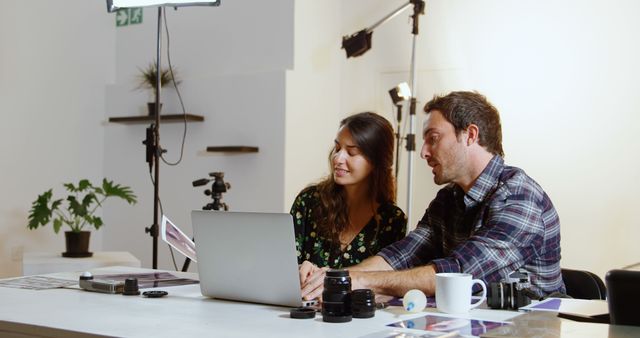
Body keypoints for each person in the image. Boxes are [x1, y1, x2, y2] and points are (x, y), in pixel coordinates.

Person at [301, 91, 565, 300]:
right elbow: (400, 256)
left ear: (470, 135)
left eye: (433, 138)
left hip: (528, 329)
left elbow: (458, 273)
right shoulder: (447, 200)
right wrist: (335, 277)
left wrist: (357, 280)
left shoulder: (519, 197)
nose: (424, 152)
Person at [291, 112, 407, 270]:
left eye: (351, 152)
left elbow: (387, 283)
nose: (338, 159)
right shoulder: (308, 201)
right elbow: (283, 264)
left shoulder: (392, 220)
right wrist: (298, 270)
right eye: (337, 148)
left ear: (376, 161)